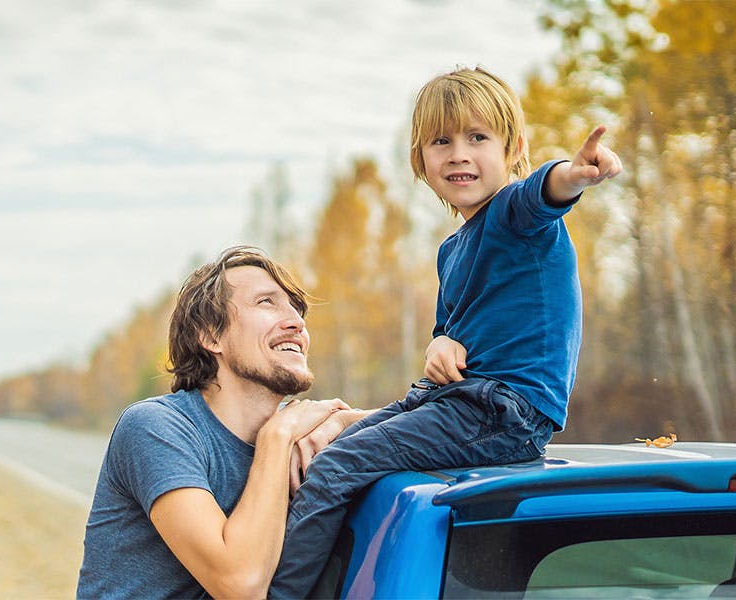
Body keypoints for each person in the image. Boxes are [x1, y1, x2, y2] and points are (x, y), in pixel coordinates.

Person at [268, 66, 623, 598]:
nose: (459, 153)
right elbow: (450, 331)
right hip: (457, 400)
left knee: (339, 465)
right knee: (329, 448)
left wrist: (573, 174)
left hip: (505, 413)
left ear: (513, 148)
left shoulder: (513, 214)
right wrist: (440, 344)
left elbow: (542, 194)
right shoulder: (452, 249)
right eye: (442, 141)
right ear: (422, 161)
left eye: (478, 137)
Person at [76, 246, 368, 599]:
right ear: (211, 335)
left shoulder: (301, 428)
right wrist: (277, 437)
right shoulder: (156, 427)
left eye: (296, 308)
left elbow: (410, 428)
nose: (297, 321)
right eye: (266, 303)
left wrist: (338, 422)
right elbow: (239, 585)